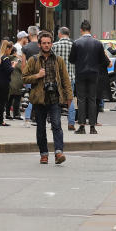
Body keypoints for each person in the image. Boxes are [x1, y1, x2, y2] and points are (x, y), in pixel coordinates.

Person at [22, 31, 73, 164]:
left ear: (52, 44)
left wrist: (69, 97)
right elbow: (24, 78)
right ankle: (44, 154)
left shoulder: (58, 60)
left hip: (55, 98)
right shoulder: (33, 60)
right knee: (41, 128)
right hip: (39, 99)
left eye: (48, 43)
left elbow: (65, 80)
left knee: (57, 125)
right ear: (39, 44)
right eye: (44, 43)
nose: (46, 45)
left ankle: (58, 152)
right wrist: (37, 76)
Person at [70, 20, 109, 134]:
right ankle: (92, 126)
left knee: (81, 99)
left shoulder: (77, 43)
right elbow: (103, 60)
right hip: (94, 74)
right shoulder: (97, 43)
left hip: (81, 73)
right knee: (92, 99)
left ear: (81, 30)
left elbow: (71, 59)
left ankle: (82, 126)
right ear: (90, 30)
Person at [52, 27, 77, 130]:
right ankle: (71, 123)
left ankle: (56, 123)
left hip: (57, 78)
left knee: (56, 101)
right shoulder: (74, 46)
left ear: (59, 34)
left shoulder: (55, 46)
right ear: (68, 34)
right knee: (70, 100)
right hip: (71, 77)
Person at [0, 40, 17, 126]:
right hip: (4, 82)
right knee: (2, 102)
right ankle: (1, 120)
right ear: (7, 48)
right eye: (10, 49)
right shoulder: (5, 58)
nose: (10, 52)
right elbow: (8, 70)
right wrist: (13, 66)